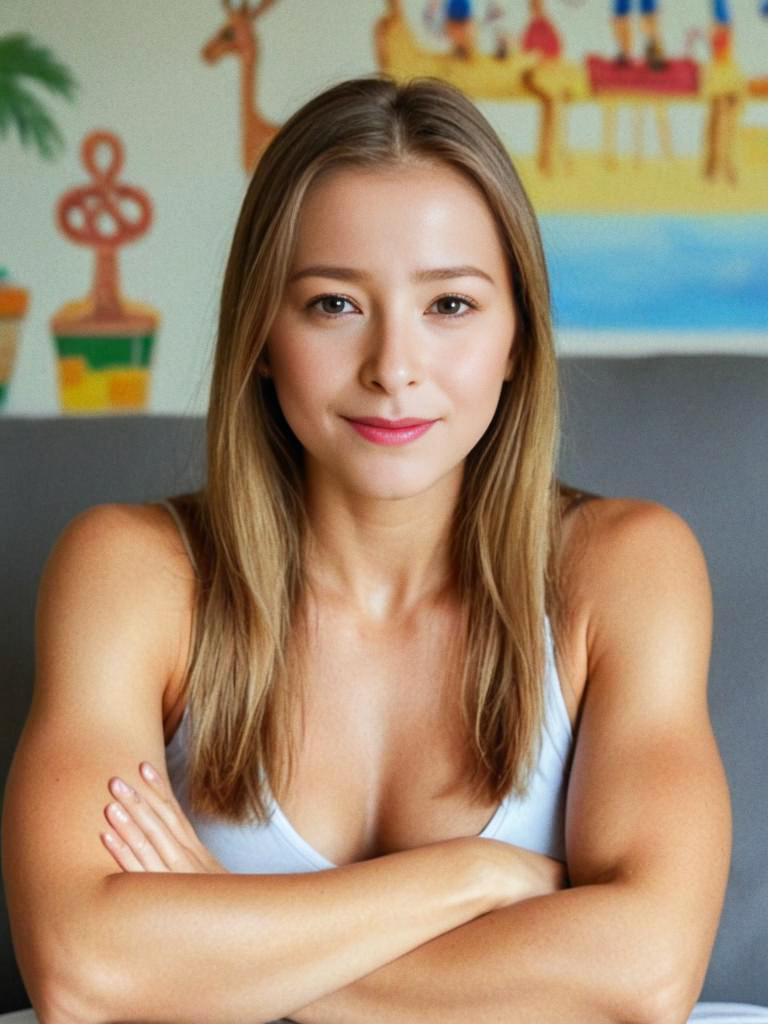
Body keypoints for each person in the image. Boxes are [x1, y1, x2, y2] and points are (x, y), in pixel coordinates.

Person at [2, 74, 731, 1024]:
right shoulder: (134, 571)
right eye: (334, 305)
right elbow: (82, 969)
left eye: (453, 306)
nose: (393, 367)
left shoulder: (625, 569)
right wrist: (474, 878)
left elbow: (644, 975)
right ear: (262, 332)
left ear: (519, 338)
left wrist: (225, 948)